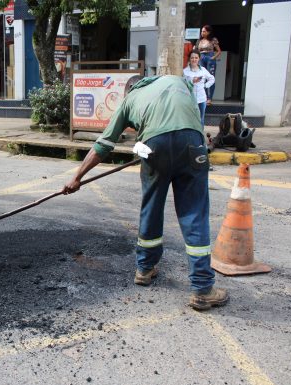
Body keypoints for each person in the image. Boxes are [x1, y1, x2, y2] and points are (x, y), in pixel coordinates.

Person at [62, 75, 228, 311]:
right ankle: (202, 289)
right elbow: (187, 111)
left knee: (151, 207)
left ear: (129, 89)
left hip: (153, 145)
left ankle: (144, 268)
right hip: (192, 142)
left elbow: (104, 144)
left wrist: (77, 178)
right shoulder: (176, 81)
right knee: (194, 213)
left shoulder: (130, 100)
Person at [183, 50, 215, 127]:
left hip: (201, 99)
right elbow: (182, 84)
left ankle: (200, 137)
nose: (194, 60)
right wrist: (192, 81)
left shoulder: (203, 70)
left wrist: (205, 85)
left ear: (199, 59)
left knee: (201, 119)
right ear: (189, 59)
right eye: (192, 58)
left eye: (196, 58)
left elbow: (212, 79)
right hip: (190, 99)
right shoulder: (185, 71)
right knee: (189, 119)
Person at [195, 25, 221, 105]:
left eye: (204, 31)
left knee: (210, 77)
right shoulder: (199, 40)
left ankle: (210, 98)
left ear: (208, 32)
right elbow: (196, 50)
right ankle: (204, 97)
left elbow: (219, 51)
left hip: (210, 57)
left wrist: (213, 58)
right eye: (202, 31)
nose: (202, 33)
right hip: (201, 58)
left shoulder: (213, 40)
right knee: (202, 78)